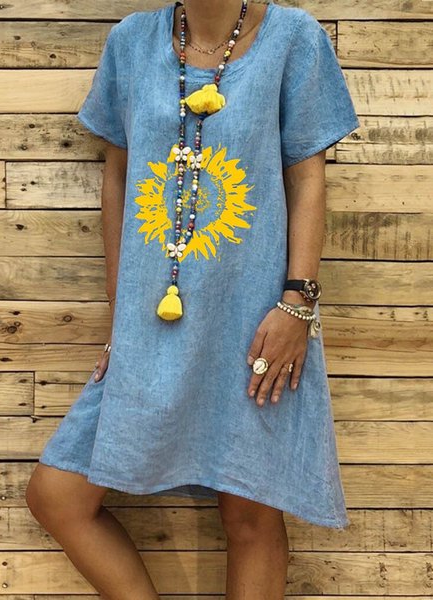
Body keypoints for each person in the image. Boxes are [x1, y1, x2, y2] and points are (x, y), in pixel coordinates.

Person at [25, 0, 360, 597]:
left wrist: (297, 303)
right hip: (152, 321)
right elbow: (117, 176)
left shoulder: (294, 39)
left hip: (254, 322)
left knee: (250, 514)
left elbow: (307, 177)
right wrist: (121, 315)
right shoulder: (132, 42)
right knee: (57, 496)